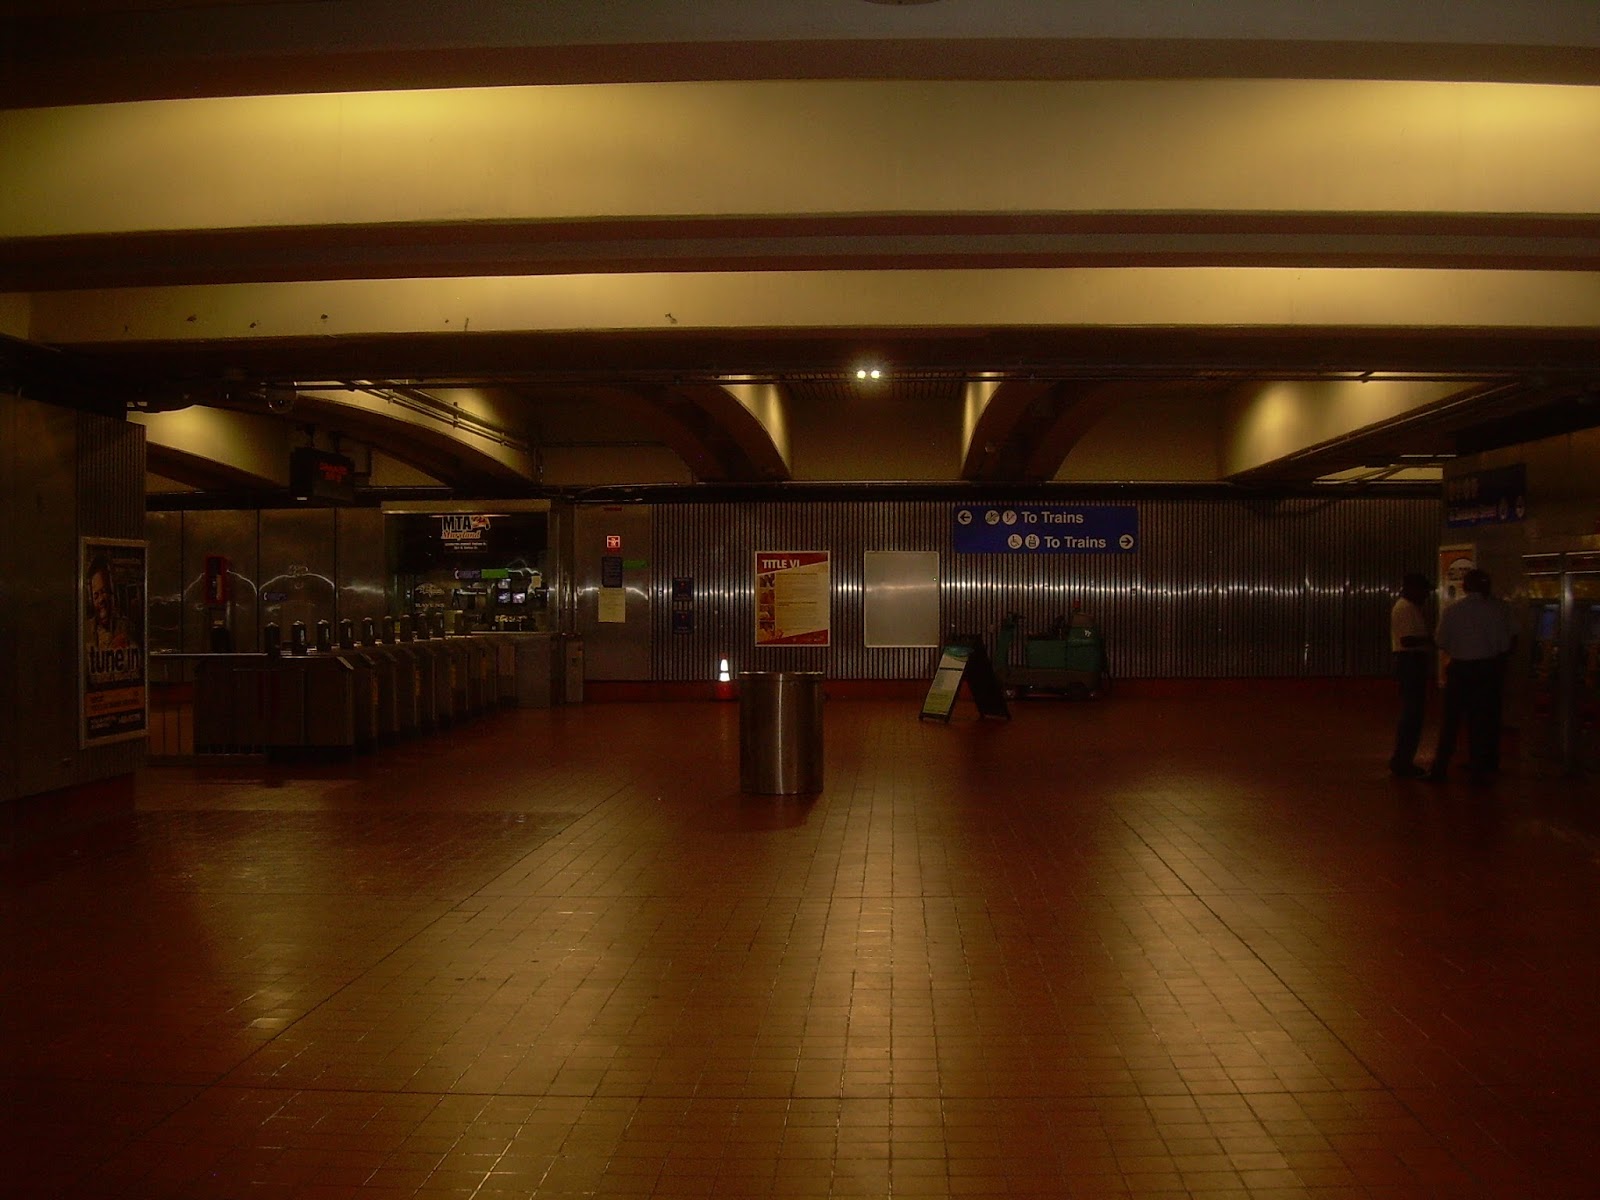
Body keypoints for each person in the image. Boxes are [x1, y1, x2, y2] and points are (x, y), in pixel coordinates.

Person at [1429, 568, 1513, 782]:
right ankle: (1478, 769)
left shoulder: (1452, 610)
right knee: (1480, 721)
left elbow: (1440, 641)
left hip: (1459, 670)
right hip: (1486, 671)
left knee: (1451, 721)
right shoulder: (1496, 611)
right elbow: (1504, 644)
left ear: (1465, 587)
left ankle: (1440, 768)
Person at [1388, 573, 1434, 778]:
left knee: (1412, 712)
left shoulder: (1408, 607)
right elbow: (1407, 640)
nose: (1426, 595)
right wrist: (1432, 640)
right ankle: (1402, 760)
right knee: (1412, 712)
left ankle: (1403, 759)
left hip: (1410, 661)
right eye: (1423, 591)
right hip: (1411, 661)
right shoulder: (1406, 608)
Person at [85, 556, 132, 651]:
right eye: (96, 595)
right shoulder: (85, 631)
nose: (101, 599)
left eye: (105, 591)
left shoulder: (128, 629)